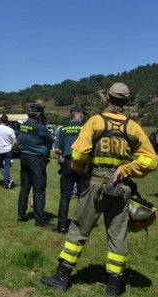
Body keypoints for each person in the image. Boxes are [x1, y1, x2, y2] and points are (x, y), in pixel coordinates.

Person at [41, 83, 158, 296]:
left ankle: (62, 277)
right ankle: (114, 285)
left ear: (107, 98)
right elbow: (151, 161)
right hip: (122, 189)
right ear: (126, 102)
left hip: (96, 185)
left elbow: (77, 156)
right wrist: (126, 169)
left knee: (78, 229)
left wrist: (82, 171)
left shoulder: (95, 122)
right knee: (118, 235)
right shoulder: (133, 127)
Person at [51, 106, 90, 234]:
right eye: (83, 115)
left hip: (67, 163)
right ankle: (81, 226)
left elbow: (57, 149)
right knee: (82, 196)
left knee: (65, 196)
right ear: (79, 115)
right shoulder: (85, 128)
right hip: (82, 163)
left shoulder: (62, 129)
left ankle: (61, 226)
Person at [17, 104, 54, 227]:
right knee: (39, 189)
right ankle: (39, 220)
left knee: (25, 188)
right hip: (36, 160)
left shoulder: (24, 125)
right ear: (38, 115)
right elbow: (51, 138)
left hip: (24, 158)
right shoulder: (41, 128)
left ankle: (21, 215)